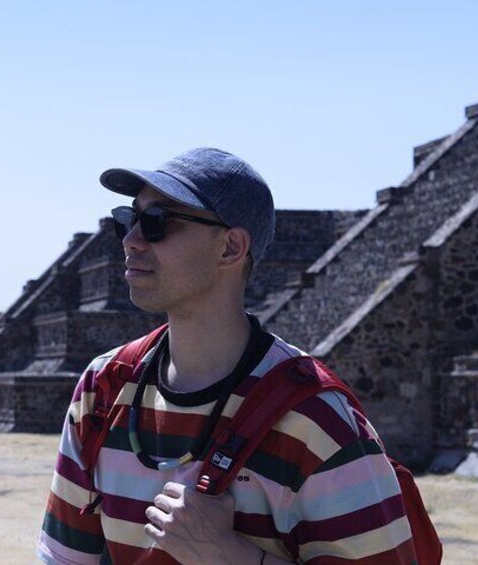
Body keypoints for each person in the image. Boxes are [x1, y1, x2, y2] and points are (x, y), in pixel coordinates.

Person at [37, 148, 415, 564]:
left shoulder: (316, 421)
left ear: (231, 248)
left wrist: (225, 554)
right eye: (128, 219)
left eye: (158, 222)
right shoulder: (104, 388)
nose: (131, 240)